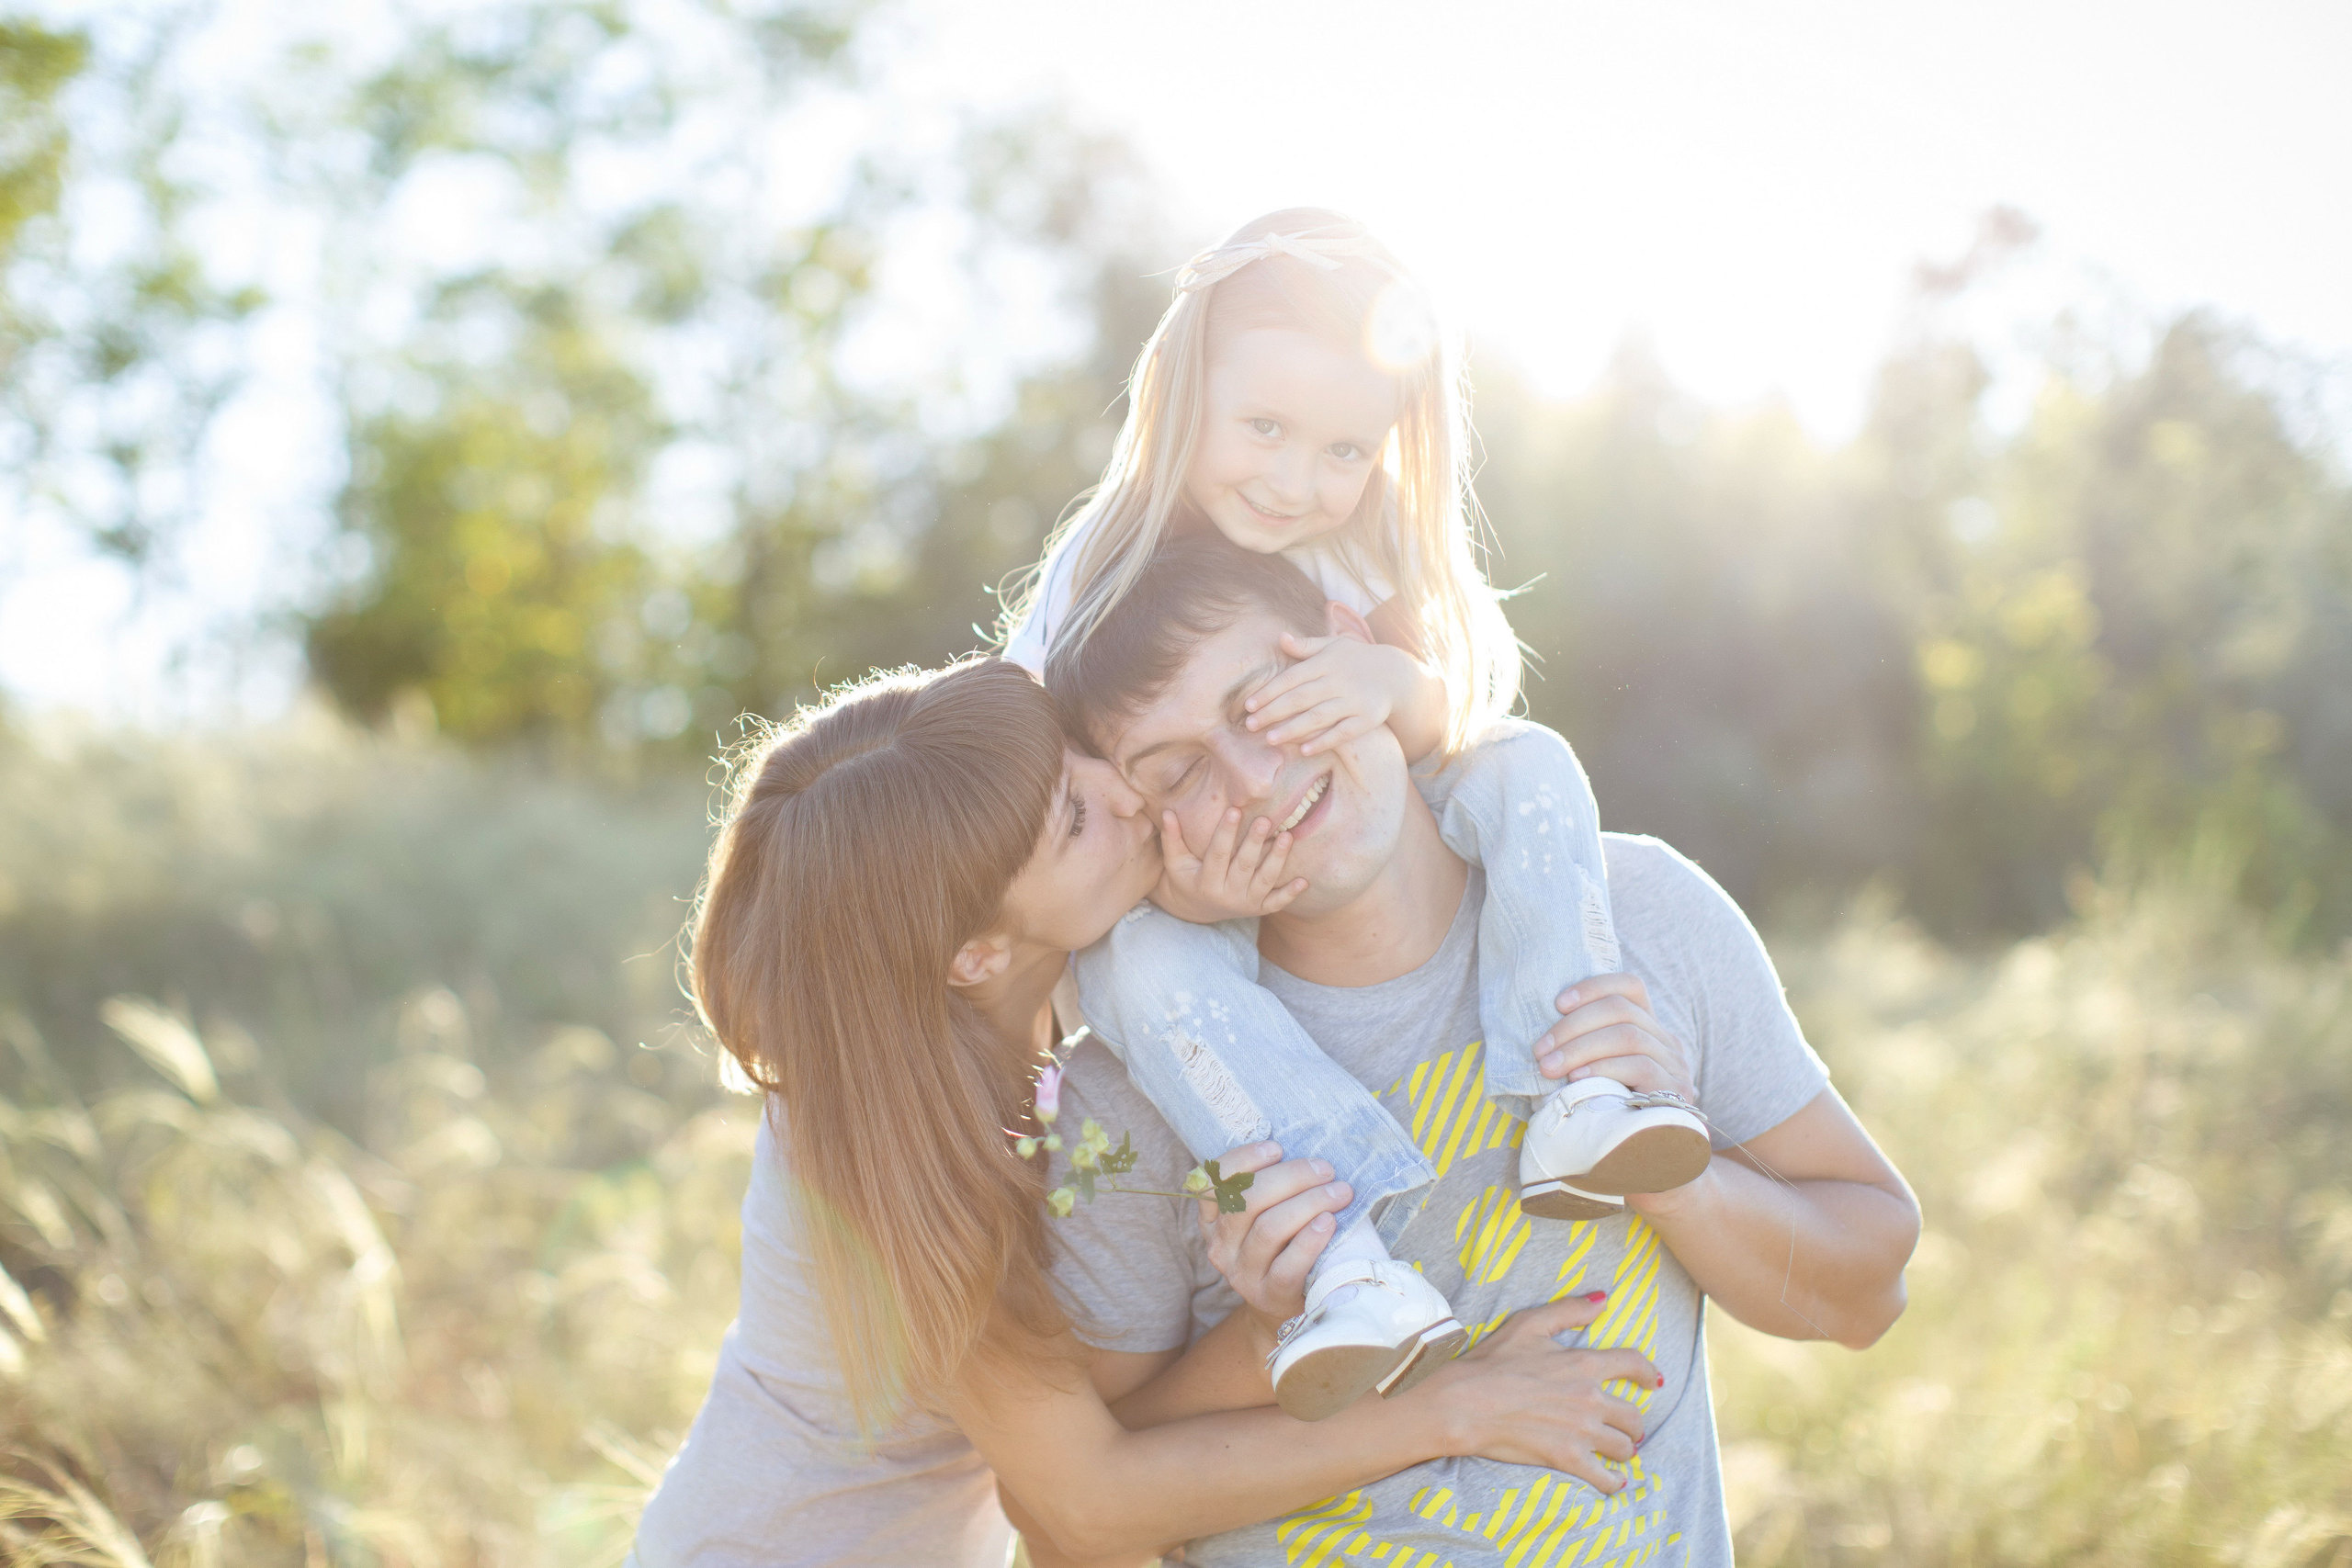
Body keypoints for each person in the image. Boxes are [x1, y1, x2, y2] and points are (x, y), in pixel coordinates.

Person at [628, 657, 1674, 1568]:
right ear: (973, 953)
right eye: (1073, 816)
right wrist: (1456, 1410)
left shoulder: (1014, 1014)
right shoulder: (879, 1151)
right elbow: (1087, 1502)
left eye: (1072, 755)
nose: (1122, 792)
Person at [1044, 534, 1921, 1566]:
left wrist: (1673, 1174)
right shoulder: (1127, 1087)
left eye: (1261, 703)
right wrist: (1266, 1324)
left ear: (1349, 647)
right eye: (1180, 770)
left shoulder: (1630, 914)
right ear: (1145, 824)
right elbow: (1091, 1500)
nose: (1252, 777)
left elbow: (1868, 1291)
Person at [1002, 209, 1709, 1420]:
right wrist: (1190, 886)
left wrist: (1388, 684)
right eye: (1264, 429)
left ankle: (1575, 1093)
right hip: (1186, 886)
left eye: (1343, 449)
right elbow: (1082, 826)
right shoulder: (1093, 582)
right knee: (1144, 966)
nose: (1295, 480)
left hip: (1363, 838)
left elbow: (1443, 722)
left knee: (1532, 763)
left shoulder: (1346, 546)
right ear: (1183, 397)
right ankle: (1347, 1260)